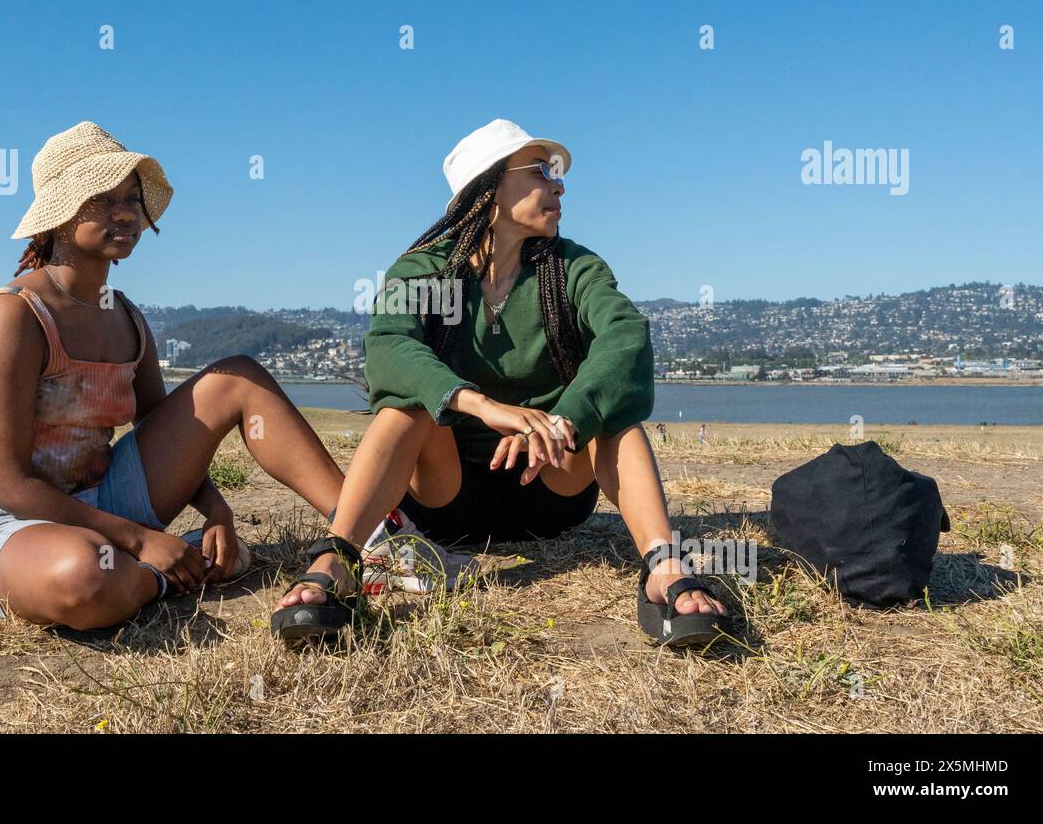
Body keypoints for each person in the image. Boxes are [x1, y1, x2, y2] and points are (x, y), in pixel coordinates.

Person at [270, 119, 731, 648]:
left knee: (615, 413)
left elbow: (625, 339)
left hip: (551, 486)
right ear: (487, 188)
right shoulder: (423, 270)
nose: (559, 186)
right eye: (541, 171)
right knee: (407, 405)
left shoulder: (573, 268)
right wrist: (482, 406)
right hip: (445, 496)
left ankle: (663, 569)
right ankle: (340, 559)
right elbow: (389, 348)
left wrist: (566, 418)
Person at [0, 121, 345, 629]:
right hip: (8, 523)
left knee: (236, 376)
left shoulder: (125, 316)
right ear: (60, 214)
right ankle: (163, 571)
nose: (126, 212)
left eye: (131, 198)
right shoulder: (13, 315)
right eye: (103, 199)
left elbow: (161, 425)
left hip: (103, 499)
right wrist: (141, 540)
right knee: (84, 578)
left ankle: (364, 536)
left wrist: (217, 510)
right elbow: (11, 487)